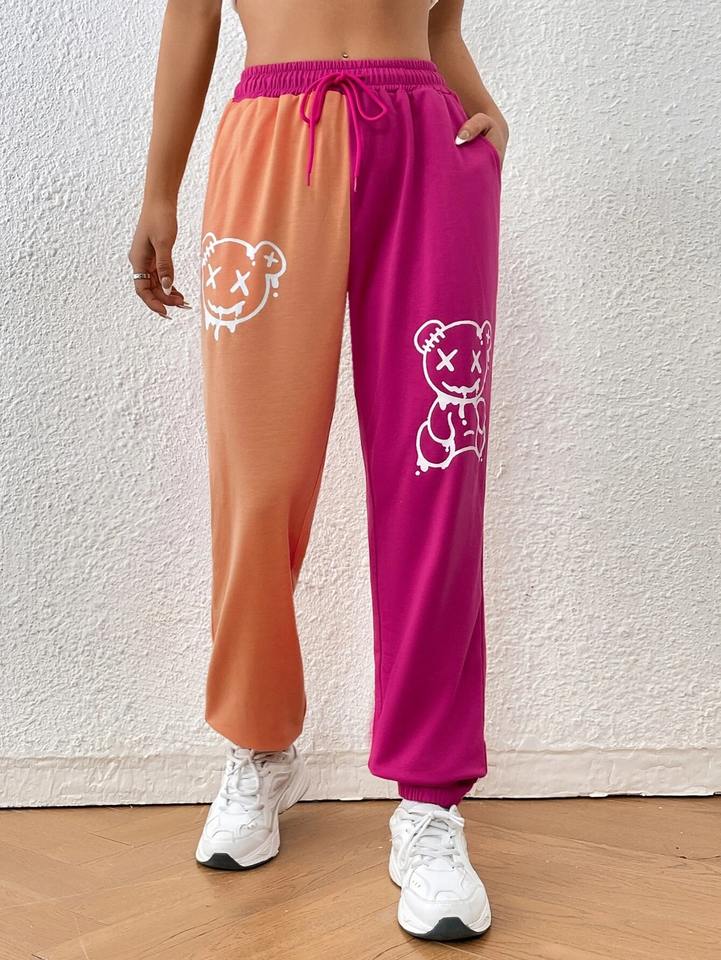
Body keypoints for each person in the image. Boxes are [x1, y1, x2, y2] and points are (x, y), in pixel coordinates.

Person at [129, 0, 508, 942]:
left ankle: (429, 800)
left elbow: (440, 29)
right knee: (257, 482)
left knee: (433, 482)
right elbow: (192, 19)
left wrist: (487, 116)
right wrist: (158, 192)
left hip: (429, 151)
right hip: (270, 139)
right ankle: (258, 746)